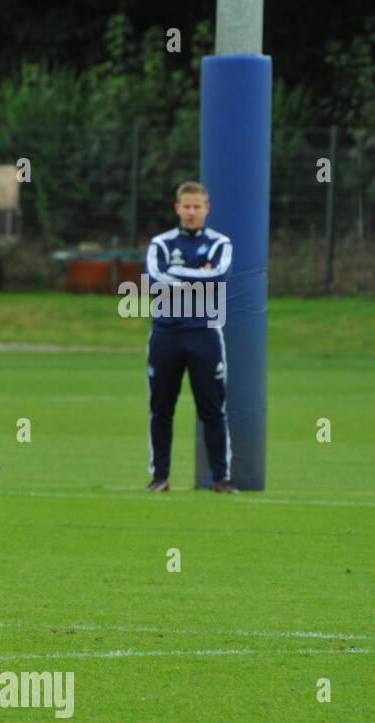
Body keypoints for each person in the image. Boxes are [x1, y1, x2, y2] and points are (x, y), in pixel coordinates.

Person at [144, 181, 235, 493]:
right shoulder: (161, 244)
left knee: (211, 407)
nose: (192, 212)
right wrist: (199, 277)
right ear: (177, 208)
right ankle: (160, 477)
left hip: (204, 333)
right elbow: (156, 279)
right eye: (187, 206)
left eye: (198, 206)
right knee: (161, 408)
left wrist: (178, 276)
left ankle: (220, 479)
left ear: (207, 209)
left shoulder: (220, 243)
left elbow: (219, 276)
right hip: (165, 334)